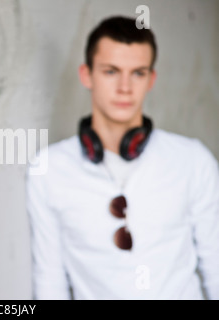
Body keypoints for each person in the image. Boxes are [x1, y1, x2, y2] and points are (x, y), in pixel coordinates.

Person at [26, 16, 219, 299]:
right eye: (111, 71)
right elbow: (49, 281)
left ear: (151, 79)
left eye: (138, 73)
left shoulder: (193, 160)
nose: (125, 87)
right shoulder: (48, 169)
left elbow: (216, 265)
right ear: (86, 74)